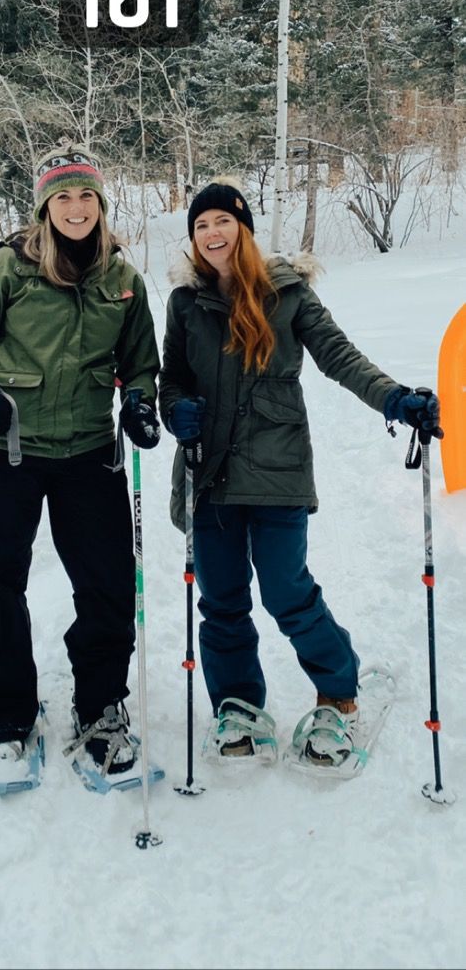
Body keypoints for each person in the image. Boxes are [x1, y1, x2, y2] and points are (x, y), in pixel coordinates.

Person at [159, 177, 441, 767]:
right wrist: (174, 410)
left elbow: (340, 357)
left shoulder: (287, 293)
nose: (212, 234)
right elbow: (173, 378)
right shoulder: (185, 302)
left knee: (286, 590)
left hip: (278, 463)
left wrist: (394, 400)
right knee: (223, 598)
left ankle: (339, 693)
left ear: (244, 229)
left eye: (223, 222)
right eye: (201, 226)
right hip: (209, 472)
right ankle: (236, 702)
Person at [0, 146, 160, 776]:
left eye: (86, 196)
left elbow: (140, 361)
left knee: (109, 583)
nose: (75, 208)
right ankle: (2, 709)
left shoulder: (123, 280)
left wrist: (140, 404)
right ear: (44, 206)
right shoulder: (6, 271)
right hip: (6, 447)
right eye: (62, 197)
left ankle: (101, 705)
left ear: (101, 203)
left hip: (89, 448)